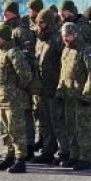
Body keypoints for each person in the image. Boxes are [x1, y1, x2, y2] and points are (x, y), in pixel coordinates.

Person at [57, 22, 91, 170]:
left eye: (68, 36)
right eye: (63, 36)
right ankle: (74, 155)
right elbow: (63, 72)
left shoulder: (86, 50)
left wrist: (87, 94)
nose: (65, 38)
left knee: (83, 127)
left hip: (81, 96)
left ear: (75, 34)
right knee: (71, 127)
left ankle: (84, 157)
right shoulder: (66, 50)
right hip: (68, 95)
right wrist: (60, 90)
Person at [0, 24, 33, 173]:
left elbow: (26, 75)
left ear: (3, 38)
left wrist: (15, 90)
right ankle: (8, 157)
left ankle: (20, 160)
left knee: (17, 131)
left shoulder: (14, 53)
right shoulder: (0, 54)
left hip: (14, 101)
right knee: (5, 131)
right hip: (2, 100)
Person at [32, 9, 67, 165]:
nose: (39, 25)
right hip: (42, 88)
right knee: (45, 122)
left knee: (58, 122)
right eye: (38, 22)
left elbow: (65, 62)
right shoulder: (40, 40)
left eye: (42, 22)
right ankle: (48, 150)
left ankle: (65, 151)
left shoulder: (57, 39)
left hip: (54, 86)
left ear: (49, 23)